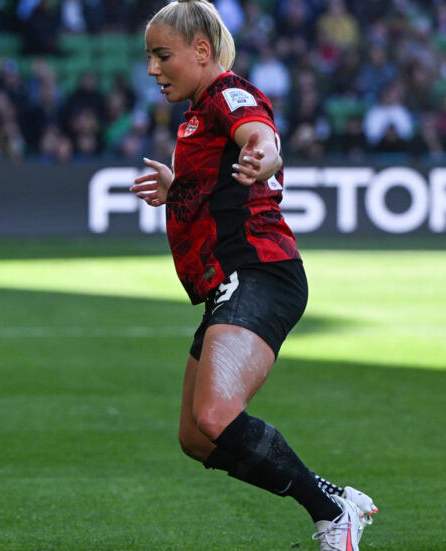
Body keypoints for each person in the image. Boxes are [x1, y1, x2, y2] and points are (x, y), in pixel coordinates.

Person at [130, 2, 377, 550]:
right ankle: (333, 498)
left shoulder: (226, 94)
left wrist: (263, 154)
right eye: (149, 56)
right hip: (230, 282)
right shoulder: (197, 111)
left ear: (201, 51)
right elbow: (222, 182)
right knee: (196, 437)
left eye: (161, 55)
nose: (152, 69)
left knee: (217, 414)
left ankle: (331, 514)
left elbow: (259, 134)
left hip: (259, 271)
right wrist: (179, 189)